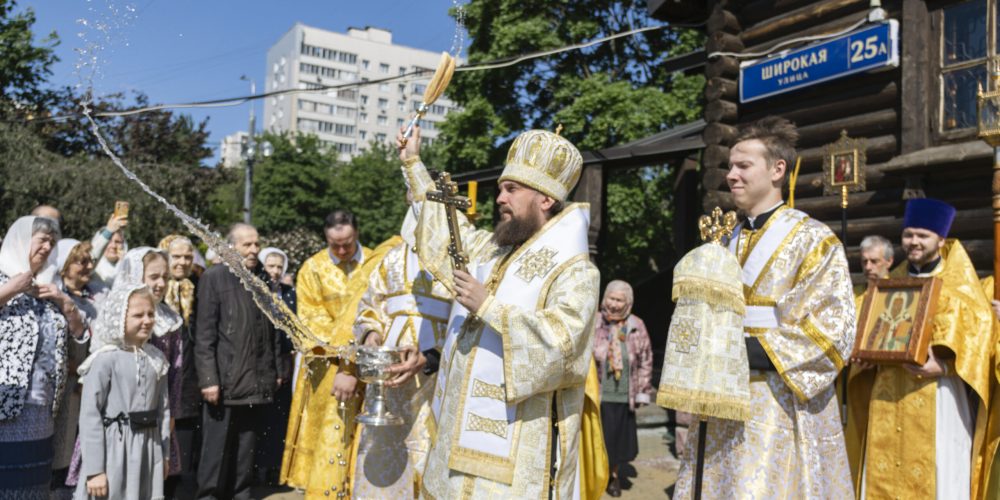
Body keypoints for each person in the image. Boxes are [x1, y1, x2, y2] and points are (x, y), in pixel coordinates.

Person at [394, 125, 600, 498]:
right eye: (501, 188)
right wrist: (412, 162)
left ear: (546, 199)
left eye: (512, 189)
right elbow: (449, 236)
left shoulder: (576, 270)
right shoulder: (495, 251)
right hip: (458, 438)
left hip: (518, 453)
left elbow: (564, 347)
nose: (499, 197)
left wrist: (489, 308)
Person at [672, 117, 856, 497]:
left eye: (743, 166)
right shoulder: (722, 244)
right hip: (719, 402)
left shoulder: (814, 240)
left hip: (776, 404)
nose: (731, 176)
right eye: (729, 167)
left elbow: (832, 331)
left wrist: (741, 350)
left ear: (777, 170)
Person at [846, 198, 993, 499]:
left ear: (941, 239)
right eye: (908, 234)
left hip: (939, 393)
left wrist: (946, 366)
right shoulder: (890, 285)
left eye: (922, 235)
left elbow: (981, 341)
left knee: (939, 471)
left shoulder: (961, 287)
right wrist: (867, 356)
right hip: (887, 392)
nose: (913, 242)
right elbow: (869, 331)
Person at [281, 211, 395, 497]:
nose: (342, 250)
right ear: (326, 239)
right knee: (326, 436)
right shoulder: (312, 268)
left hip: (367, 363)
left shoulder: (374, 262)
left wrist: (357, 357)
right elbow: (310, 319)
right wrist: (346, 352)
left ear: (356, 233)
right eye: (335, 245)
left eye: (347, 243)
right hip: (326, 366)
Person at [348, 227, 453, 499]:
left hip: (439, 376)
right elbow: (369, 307)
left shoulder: (461, 257)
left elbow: (468, 321)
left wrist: (433, 355)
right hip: (389, 376)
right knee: (383, 452)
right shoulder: (391, 257)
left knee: (430, 450)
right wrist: (371, 334)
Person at [196, 223, 283, 500]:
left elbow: (274, 329)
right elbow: (205, 335)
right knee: (216, 451)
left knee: (246, 449)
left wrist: (277, 370)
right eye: (247, 245)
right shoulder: (214, 278)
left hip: (256, 379)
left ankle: (241, 495)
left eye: (256, 244)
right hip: (225, 381)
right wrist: (209, 379)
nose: (254, 250)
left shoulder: (263, 279)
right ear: (231, 246)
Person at [0, 216, 86, 497]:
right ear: (22, 240)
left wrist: (67, 305)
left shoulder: (51, 288)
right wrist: (10, 289)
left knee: (34, 486)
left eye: (52, 241)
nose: (48, 246)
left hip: (41, 411)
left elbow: (80, 347)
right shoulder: (2, 277)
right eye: (42, 239)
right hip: (5, 407)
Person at [74, 284, 170, 500]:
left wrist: (164, 455)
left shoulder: (157, 359)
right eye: (138, 315)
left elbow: (163, 411)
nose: (147, 320)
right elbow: (90, 416)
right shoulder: (105, 360)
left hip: (148, 449)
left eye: (150, 314)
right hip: (113, 450)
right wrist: (95, 469)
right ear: (119, 317)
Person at [51, 239, 108, 498]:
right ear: (64, 264)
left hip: (89, 388)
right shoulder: (52, 297)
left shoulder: (96, 297)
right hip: (64, 389)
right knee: (57, 456)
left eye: (89, 261)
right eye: (80, 261)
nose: (87, 266)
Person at [592, 280, 652, 497]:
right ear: (604, 298)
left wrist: (644, 390)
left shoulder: (636, 324)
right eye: (611, 298)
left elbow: (645, 358)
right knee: (600, 439)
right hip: (599, 393)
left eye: (620, 300)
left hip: (624, 394)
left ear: (628, 303)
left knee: (616, 441)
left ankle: (613, 476)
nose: (615, 304)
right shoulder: (594, 322)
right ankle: (597, 476)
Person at [157, 234, 202, 499]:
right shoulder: (154, 290)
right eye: (177, 257)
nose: (183, 262)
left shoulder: (198, 286)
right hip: (160, 385)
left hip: (188, 386)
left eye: (188, 256)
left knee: (184, 458)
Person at [255, 246, 296, 485]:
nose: (275, 271)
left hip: (283, 362)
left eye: (280, 267)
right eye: (271, 266)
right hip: (260, 363)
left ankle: (274, 468)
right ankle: (258, 467)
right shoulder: (256, 290)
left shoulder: (289, 293)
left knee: (278, 419)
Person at [90, 213, 129, 286]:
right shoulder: (92, 270)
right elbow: (93, 256)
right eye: (109, 241)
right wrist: (109, 231)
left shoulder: (130, 268)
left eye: (118, 242)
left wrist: (123, 264)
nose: (113, 246)